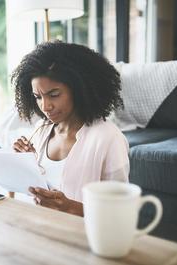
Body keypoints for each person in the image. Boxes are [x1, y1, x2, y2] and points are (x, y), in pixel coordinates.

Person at [12, 41, 129, 216]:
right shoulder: (41, 130)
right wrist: (23, 164)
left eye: (54, 95)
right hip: (38, 229)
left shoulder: (108, 138)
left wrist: (68, 207)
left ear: (79, 89)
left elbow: (120, 211)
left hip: (80, 238)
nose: (45, 106)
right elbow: (23, 197)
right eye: (37, 97)